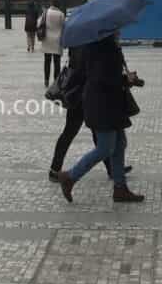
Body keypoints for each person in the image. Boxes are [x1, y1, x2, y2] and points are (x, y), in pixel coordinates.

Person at [55, 34, 145, 204]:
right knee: (105, 148)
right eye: (116, 28)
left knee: (119, 144)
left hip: (110, 103)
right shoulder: (102, 47)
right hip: (101, 104)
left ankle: (120, 188)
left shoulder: (105, 45)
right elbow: (102, 79)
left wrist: (125, 78)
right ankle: (69, 177)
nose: (119, 30)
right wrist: (126, 80)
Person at [49, 46, 131, 182]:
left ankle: (112, 169)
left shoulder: (82, 41)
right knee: (72, 132)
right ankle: (56, 170)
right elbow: (85, 69)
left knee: (94, 134)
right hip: (82, 96)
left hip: (85, 94)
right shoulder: (88, 45)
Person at [41, 0, 66, 88]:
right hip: (57, 40)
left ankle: (46, 80)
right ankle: (56, 81)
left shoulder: (46, 12)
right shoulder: (61, 14)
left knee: (47, 61)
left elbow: (39, 23)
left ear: (52, 4)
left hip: (47, 39)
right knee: (57, 62)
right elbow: (64, 26)